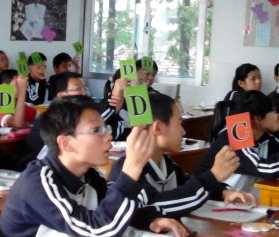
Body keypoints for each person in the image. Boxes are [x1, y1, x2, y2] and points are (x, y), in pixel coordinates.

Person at [0, 97, 187, 237]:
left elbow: (110, 209)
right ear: (65, 143)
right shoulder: (39, 183)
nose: (108, 136)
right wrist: (131, 169)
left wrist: (149, 219)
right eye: (97, 130)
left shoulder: (88, 176)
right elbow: (101, 230)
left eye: (106, 128)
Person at [108, 93, 256, 219]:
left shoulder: (168, 165)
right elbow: (155, 205)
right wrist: (213, 177)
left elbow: (188, 184)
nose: (184, 132)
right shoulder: (126, 170)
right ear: (158, 128)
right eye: (179, 123)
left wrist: (224, 193)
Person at [197, 90, 279, 196]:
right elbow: (264, 168)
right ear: (257, 119)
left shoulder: (269, 140)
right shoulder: (235, 134)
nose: (277, 115)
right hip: (211, 198)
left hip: (242, 200)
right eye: (274, 111)